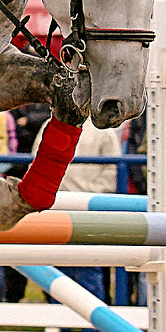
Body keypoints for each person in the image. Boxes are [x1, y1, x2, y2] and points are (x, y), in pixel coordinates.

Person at [34, 118, 123, 303]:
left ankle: (79, 326)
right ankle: (73, 324)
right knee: (65, 269)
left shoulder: (102, 131)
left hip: (79, 207)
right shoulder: (52, 125)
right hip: (66, 205)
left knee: (83, 268)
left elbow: (111, 171)